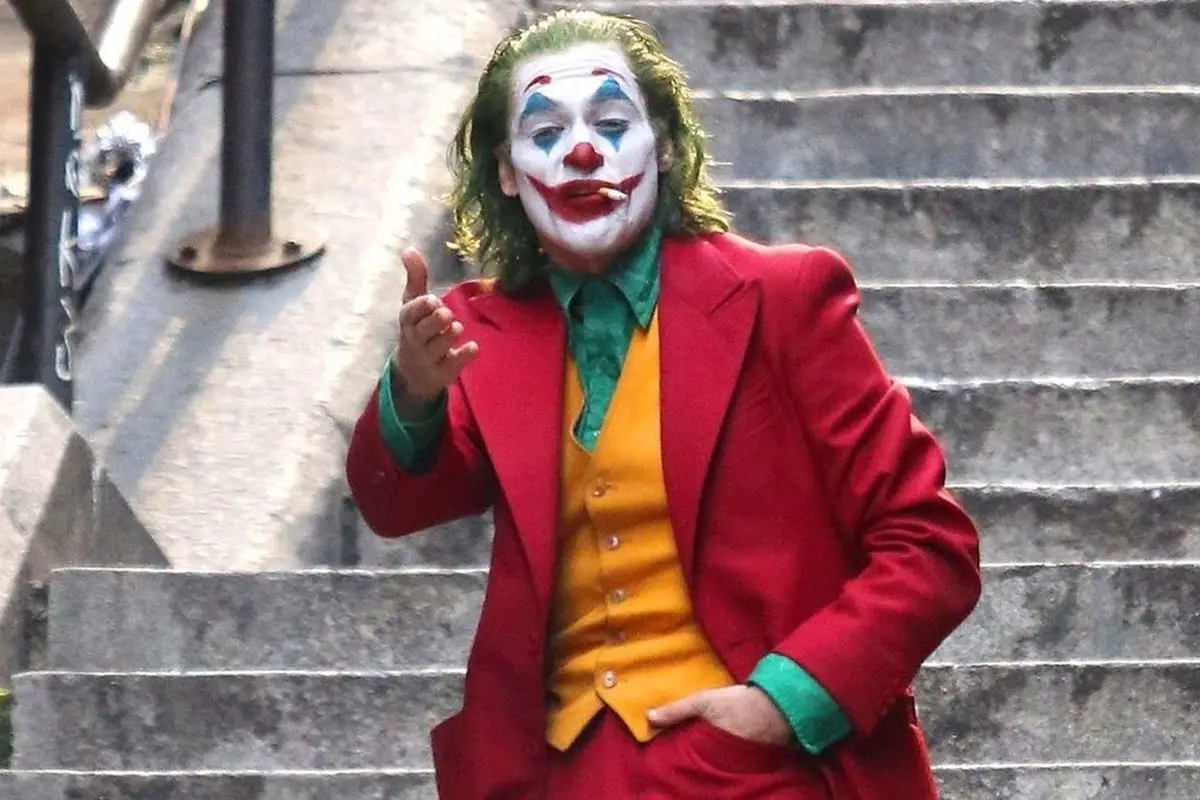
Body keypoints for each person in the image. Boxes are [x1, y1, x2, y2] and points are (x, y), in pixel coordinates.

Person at [346, 9, 981, 799]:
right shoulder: (480, 331)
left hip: (757, 772)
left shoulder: (784, 297)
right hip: (560, 775)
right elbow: (398, 505)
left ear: (668, 147)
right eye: (545, 132)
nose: (583, 152)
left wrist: (785, 701)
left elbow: (931, 546)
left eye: (613, 123)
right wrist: (413, 389)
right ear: (506, 172)